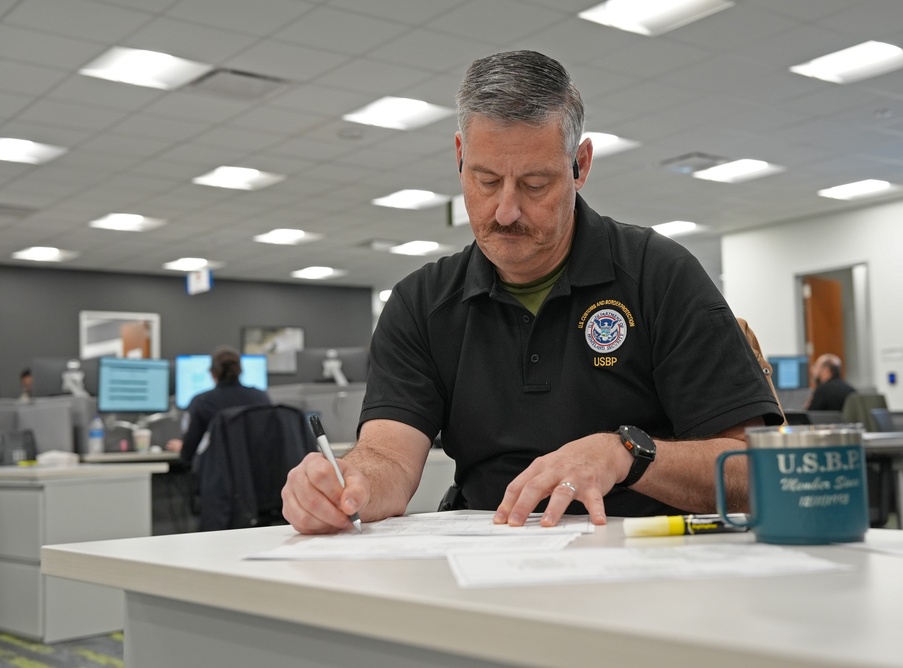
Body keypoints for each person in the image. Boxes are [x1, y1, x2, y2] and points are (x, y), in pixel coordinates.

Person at [282, 50, 782, 535]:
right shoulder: (420, 304)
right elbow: (389, 457)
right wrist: (348, 486)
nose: (505, 211)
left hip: (644, 561)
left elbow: (754, 473)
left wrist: (627, 454)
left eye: (535, 184)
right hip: (483, 563)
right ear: (460, 156)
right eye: (486, 179)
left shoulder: (660, 275)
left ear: (579, 165)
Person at [167, 346, 271, 465]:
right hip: (258, 473)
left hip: (219, 474)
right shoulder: (260, 398)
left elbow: (188, 453)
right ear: (240, 371)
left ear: (212, 373)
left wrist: (183, 448)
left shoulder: (202, 402)